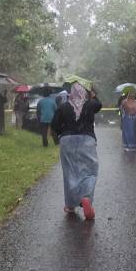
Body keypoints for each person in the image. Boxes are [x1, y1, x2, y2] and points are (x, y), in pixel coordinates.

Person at [51, 83, 102, 220]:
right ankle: (85, 197)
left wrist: (61, 136)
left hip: (67, 141)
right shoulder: (90, 104)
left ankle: (70, 205)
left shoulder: (64, 106)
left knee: (70, 172)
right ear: (84, 93)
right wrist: (92, 93)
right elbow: (99, 104)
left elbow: (54, 125)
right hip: (87, 140)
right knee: (90, 171)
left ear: (71, 93)